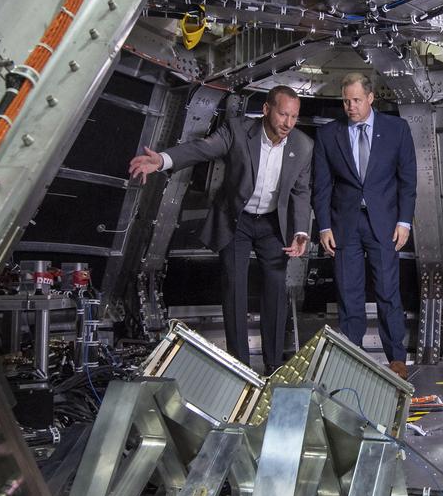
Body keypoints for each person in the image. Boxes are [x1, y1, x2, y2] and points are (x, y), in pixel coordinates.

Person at [128, 85, 312, 374]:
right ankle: (241, 366)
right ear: (266, 109)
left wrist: (301, 231)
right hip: (237, 220)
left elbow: (301, 191)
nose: (288, 123)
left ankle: (274, 364)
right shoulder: (238, 130)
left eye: (294, 116)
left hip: (272, 224)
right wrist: (163, 160)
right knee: (234, 288)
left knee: (276, 289)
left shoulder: (302, 145)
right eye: (283, 114)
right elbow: (202, 149)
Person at [312, 72, 416, 379]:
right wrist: (324, 226)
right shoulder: (328, 134)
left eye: (357, 100)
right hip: (345, 225)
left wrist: (404, 221)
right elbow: (322, 187)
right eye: (346, 101)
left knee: (388, 291)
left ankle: (396, 358)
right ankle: (352, 357)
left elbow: (408, 180)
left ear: (371, 98)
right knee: (349, 293)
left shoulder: (397, 129)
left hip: (384, 224)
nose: (351, 107)